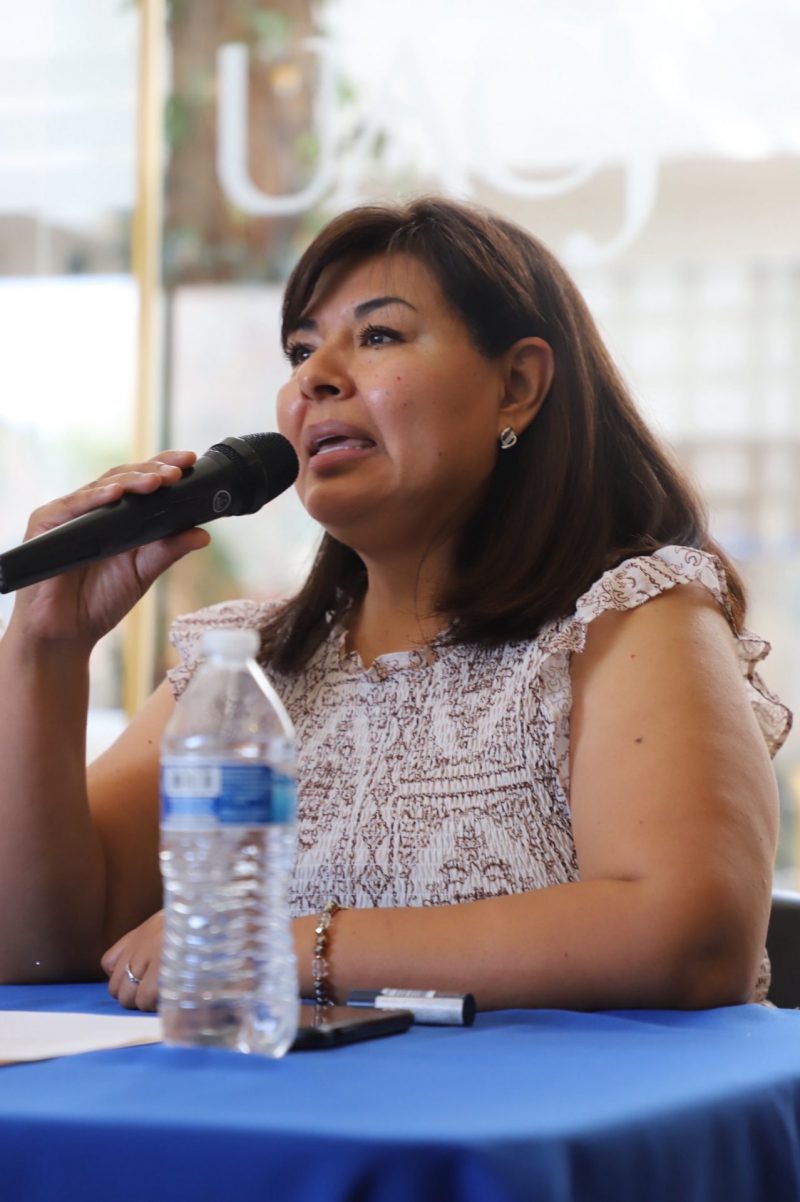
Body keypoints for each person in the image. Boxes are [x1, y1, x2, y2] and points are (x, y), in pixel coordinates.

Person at [0, 197, 790, 1014]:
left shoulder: (630, 616)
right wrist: (42, 649)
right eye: (300, 349)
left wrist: (284, 945)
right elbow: (34, 948)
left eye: (378, 336)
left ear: (517, 386)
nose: (314, 376)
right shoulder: (246, 667)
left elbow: (691, 936)